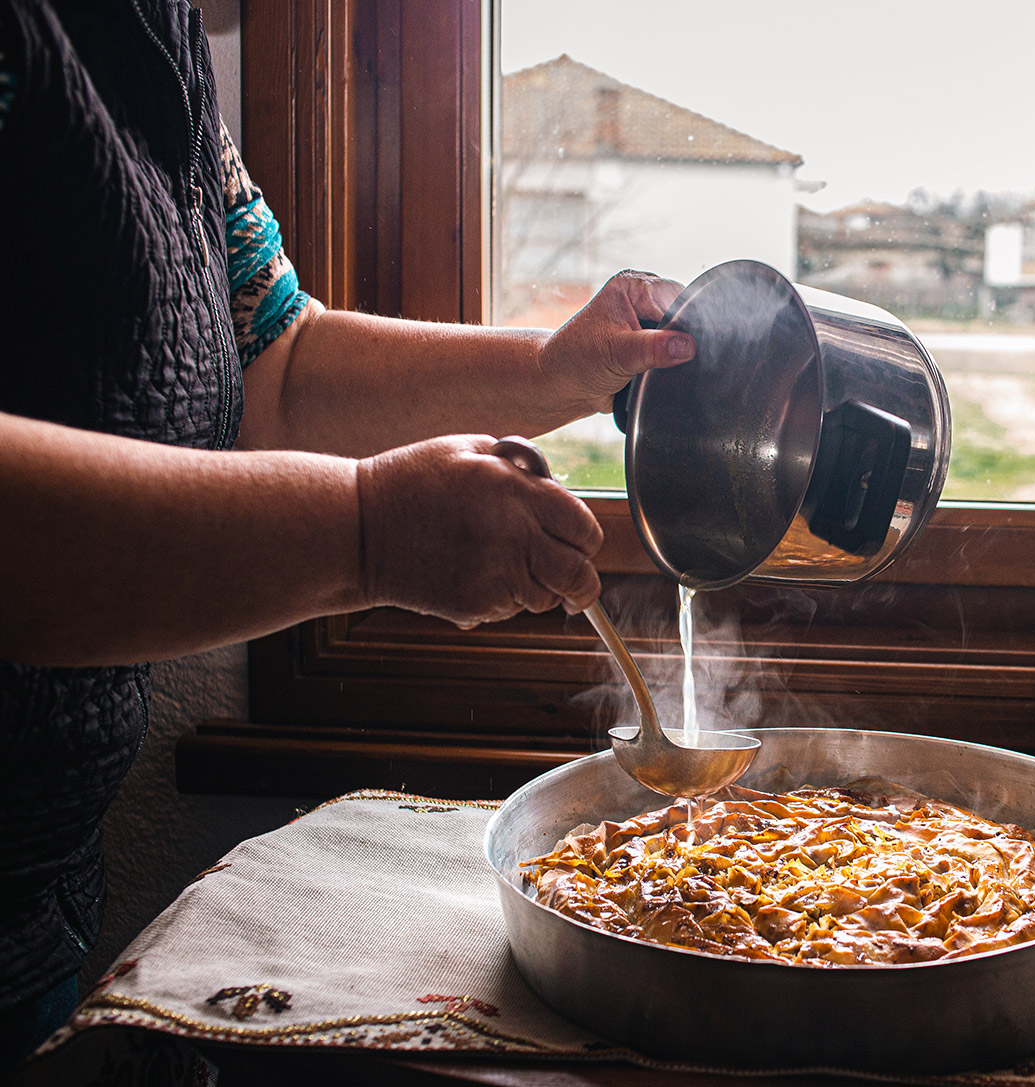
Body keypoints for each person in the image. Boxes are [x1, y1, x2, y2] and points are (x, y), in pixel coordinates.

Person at [0, 0, 697, 1069]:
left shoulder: (157, 31)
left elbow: (271, 360)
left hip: (31, 901)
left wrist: (549, 375)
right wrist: (368, 533)